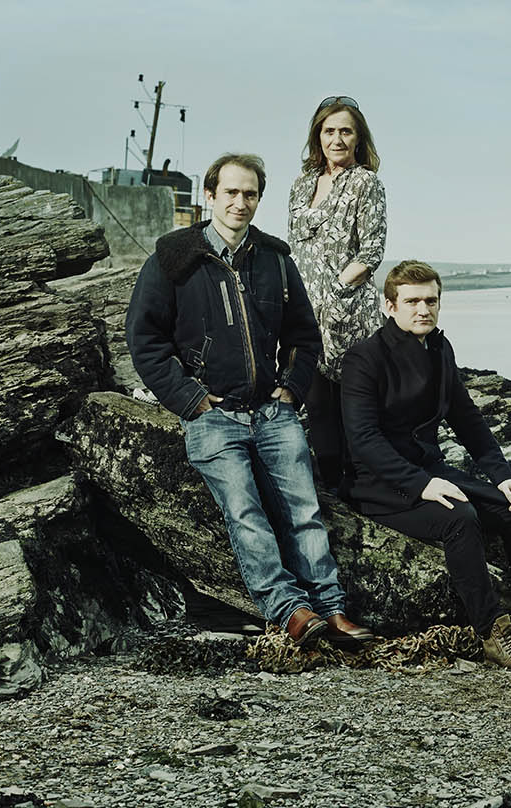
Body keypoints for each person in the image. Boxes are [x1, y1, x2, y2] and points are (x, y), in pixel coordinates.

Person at [126, 152, 375, 651]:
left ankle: (331, 608)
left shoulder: (275, 259)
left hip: (272, 411)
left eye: (250, 194)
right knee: (245, 511)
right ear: (210, 195)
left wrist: (292, 390)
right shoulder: (174, 259)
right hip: (213, 416)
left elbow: (306, 336)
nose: (240, 203)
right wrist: (192, 400)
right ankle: (290, 610)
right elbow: (144, 341)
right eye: (231, 193)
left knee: (304, 509)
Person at [339, 260, 511, 670]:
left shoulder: (439, 349)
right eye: (412, 301)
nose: (423, 309)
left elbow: (469, 421)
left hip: (431, 473)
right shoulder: (364, 358)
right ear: (389, 306)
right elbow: (364, 441)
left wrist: (504, 477)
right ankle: (493, 633)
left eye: (431, 300)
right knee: (459, 517)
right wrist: (420, 485)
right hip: (379, 485)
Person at [287, 95, 387, 495]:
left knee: (355, 415)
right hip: (305, 316)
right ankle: (333, 495)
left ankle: (366, 494)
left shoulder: (366, 183)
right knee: (318, 410)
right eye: (329, 131)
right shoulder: (300, 185)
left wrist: (335, 293)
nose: (337, 138)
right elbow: (293, 246)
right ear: (318, 136)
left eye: (346, 131)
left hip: (349, 315)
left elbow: (372, 251)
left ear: (359, 138)